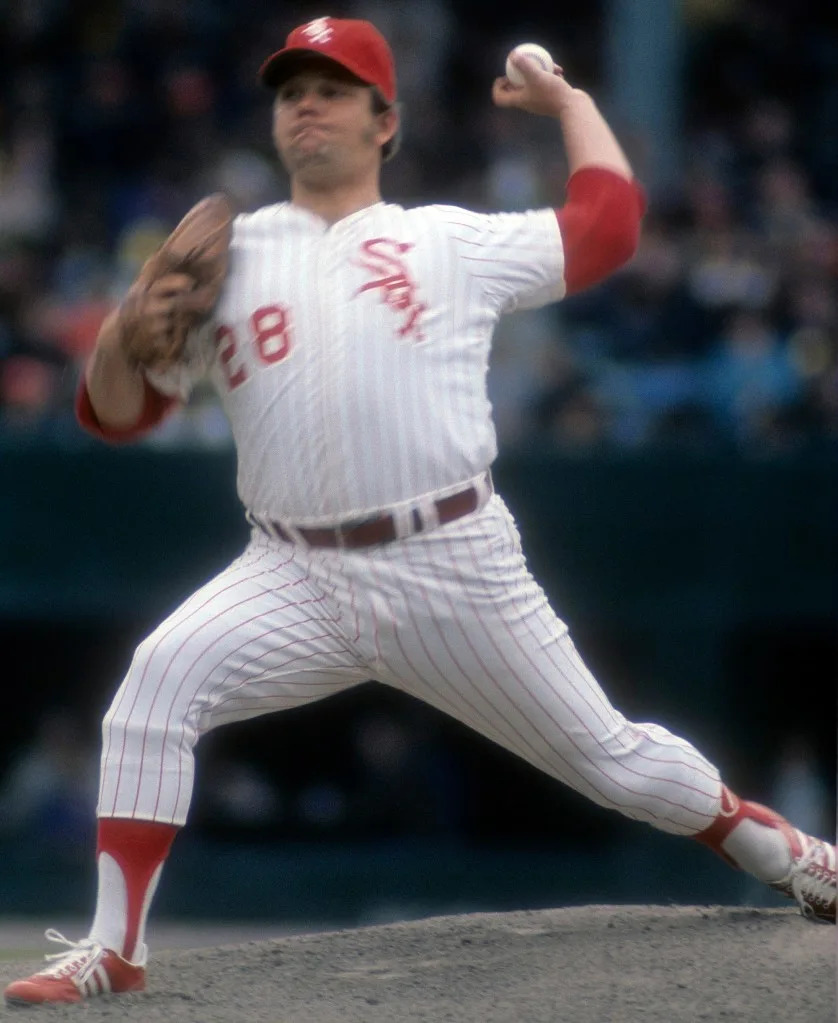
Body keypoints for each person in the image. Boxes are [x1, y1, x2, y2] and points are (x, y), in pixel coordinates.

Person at [5, 14, 834, 1007]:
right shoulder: (230, 257)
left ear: (385, 121)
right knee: (150, 689)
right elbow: (115, 417)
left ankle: (782, 848)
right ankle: (115, 948)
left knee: (616, 765)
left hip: (450, 561)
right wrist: (125, 329)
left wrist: (567, 101)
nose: (306, 103)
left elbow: (607, 228)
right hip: (291, 572)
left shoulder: (445, 239)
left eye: (334, 88)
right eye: (291, 89)